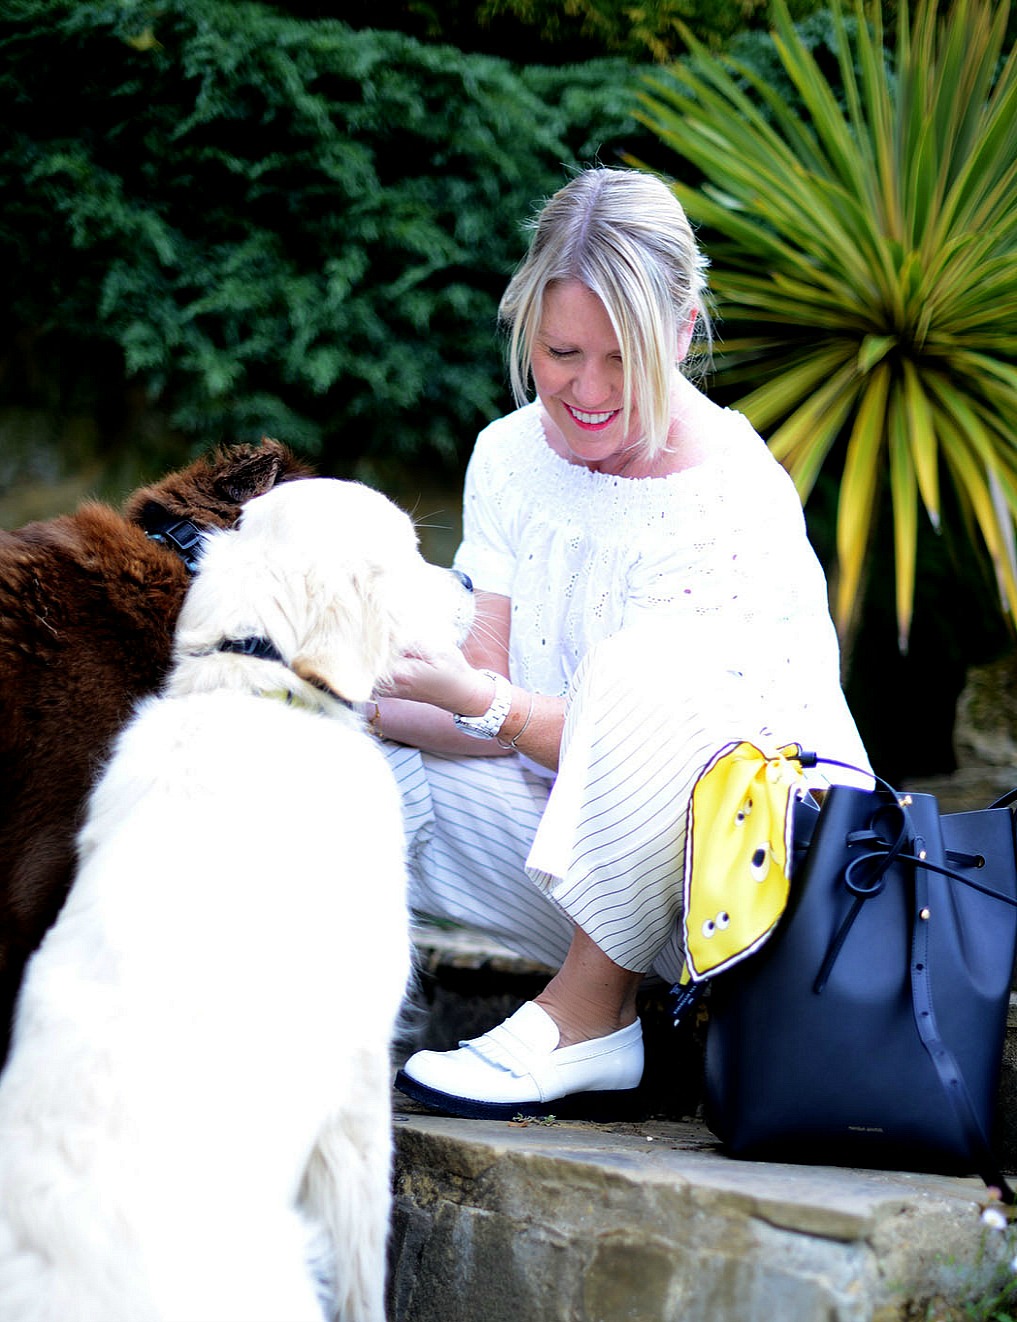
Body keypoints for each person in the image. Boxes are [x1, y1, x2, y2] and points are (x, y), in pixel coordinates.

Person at [374, 166, 870, 1120]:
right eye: (562, 352)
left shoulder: (728, 493)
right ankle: (299, 1032)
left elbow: (654, 745)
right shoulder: (509, 454)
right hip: (570, 845)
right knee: (341, 729)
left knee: (642, 671)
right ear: (527, 325)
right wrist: (346, 690)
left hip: (742, 873)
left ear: (683, 332)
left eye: (623, 357)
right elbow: (479, 684)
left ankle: (587, 1019)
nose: (588, 390)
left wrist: (476, 699)